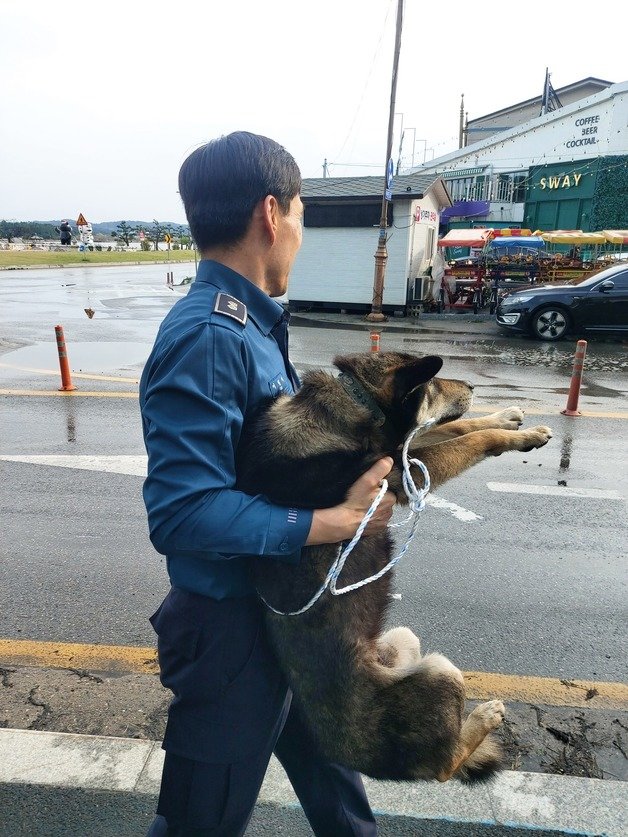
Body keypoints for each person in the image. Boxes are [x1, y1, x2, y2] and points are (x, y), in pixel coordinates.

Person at [140, 131, 396, 837]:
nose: (301, 237)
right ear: (271, 214)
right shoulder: (210, 336)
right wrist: (326, 523)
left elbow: (265, 467)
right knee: (199, 821)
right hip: (232, 637)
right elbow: (183, 511)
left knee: (341, 797)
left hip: (289, 614)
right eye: (304, 217)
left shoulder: (251, 327)